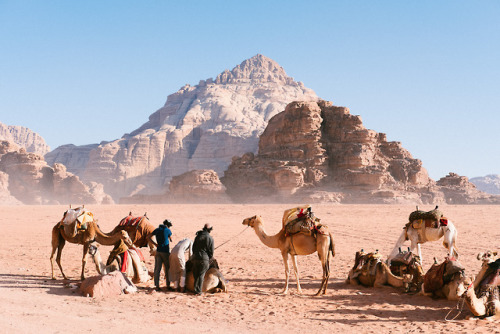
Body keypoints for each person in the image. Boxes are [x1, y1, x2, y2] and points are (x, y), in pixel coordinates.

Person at [148, 219, 173, 292]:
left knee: (157, 269)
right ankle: (168, 285)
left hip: (158, 251)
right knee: (167, 269)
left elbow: (148, 237)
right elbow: (171, 239)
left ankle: (157, 286)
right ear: (168, 225)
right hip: (165, 251)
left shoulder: (157, 230)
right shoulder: (168, 230)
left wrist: (155, 244)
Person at [191, 223, 214, 295]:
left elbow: (193, 248)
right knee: (201, 275)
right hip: (204, 259)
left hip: (195, 257)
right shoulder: (210, 238)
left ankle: (195, 289)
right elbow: (211, 251)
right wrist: (210, 258)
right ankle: (199, 291)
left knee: (195, 274)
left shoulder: (197, 237)